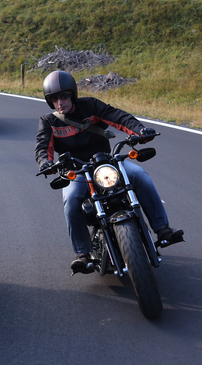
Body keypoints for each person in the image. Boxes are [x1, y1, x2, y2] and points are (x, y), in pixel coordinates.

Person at [35, 70, 184, 274]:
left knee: (139, 175)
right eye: (54, 99)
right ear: (49, 101)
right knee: (71, 200)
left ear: (73, 94)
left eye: (64, 96)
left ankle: (162, 229)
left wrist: (139, 131)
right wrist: (45, 162)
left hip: (106, 161)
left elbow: (118, 117)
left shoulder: (91, 106)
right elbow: (43, 147)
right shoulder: (49, 121)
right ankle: (83, 253)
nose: (60, 102)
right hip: (77, 171)